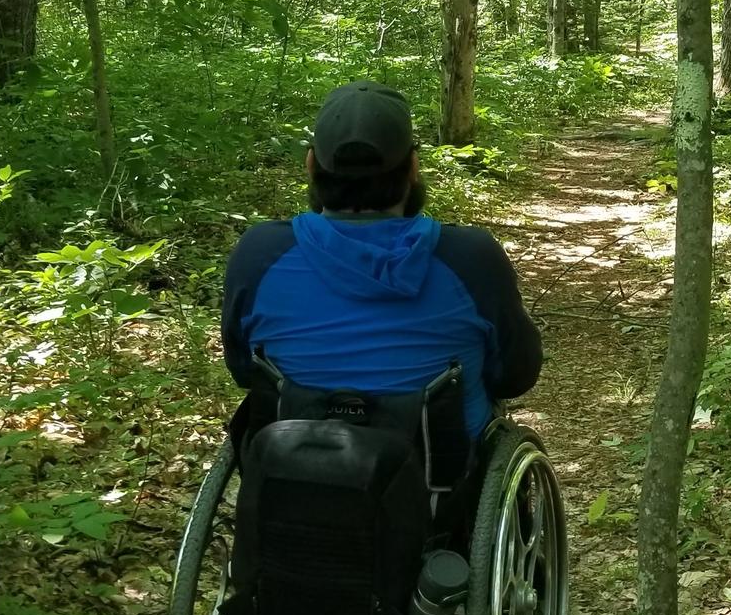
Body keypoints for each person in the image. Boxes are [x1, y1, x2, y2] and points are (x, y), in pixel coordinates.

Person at [221, 80, 542, 439]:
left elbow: (243, 371)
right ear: (413, 167)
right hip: (442, 484)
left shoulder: (260, 253)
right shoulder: (470, 257)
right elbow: (515, 376)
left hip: (288, 477)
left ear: (311, 164)